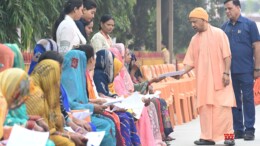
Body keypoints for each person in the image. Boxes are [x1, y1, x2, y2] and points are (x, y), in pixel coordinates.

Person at [182, 7, 236, 145]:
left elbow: (227, 56)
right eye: (191, 22)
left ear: (203, 19)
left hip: (221, 80)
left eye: (194, 21)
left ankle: (229, 139)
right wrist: (180, 73)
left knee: (224, 111)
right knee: (205, 110)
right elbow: (189, 62)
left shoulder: (219, 33)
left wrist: (226, 73)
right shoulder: (194, 40)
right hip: (204, 84)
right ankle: (207, 138)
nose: (192, 25)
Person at [221, 0, 260, 140]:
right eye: (225, 9)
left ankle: (249, 129)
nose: (227, 11)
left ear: (238, 7)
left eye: (229, 8)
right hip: (230, 72)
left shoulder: (250, 25)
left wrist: (257, 68)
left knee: (248, 99)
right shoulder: (224, 28)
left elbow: (257, 47)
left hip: (246, 69)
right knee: (234, 100)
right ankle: (238, 129)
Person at [61, 49, 116, 146]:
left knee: (110, 122)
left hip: (81, 114)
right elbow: (69, 105)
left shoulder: (79, 77)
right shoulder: (67, 79)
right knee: (106, 126)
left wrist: (93, 104)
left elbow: (82, 99)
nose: (78, 66)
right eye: (76, 63)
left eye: (79, 63)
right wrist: (92, 107)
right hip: (73, 116)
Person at [26, 59, 87, 146]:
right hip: (37, 136)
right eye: (56, 77)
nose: (57, 83)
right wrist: (69, 136)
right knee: (69, 143)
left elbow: (54, 126)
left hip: (48, 133)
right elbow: (43, 131)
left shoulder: (46, 91)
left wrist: (70, 133)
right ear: (48, 76)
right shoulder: (35, 95)